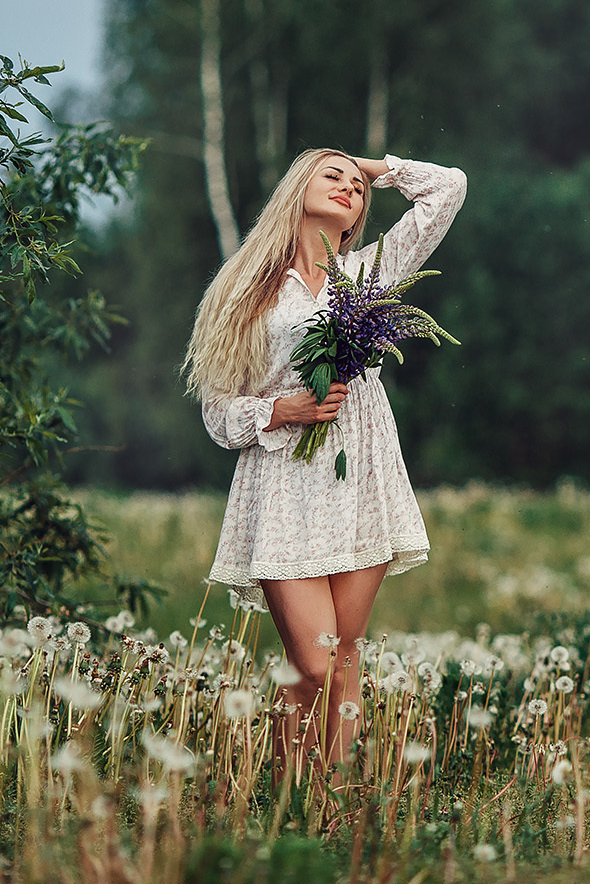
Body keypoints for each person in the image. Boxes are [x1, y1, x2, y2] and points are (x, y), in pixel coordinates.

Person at [183, 148, 466, 777]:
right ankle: (285, 791)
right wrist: (282, 410)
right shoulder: (247, 286)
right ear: (296, 189)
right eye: (330, 176)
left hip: (361, 475)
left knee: (342, 659)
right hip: (284, 481)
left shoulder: (367, 275)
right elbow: (217, 411)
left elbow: (448, 187)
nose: (348, 188)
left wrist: (373, 167)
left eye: (356, 188)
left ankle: (325, 805)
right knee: (311, 662)